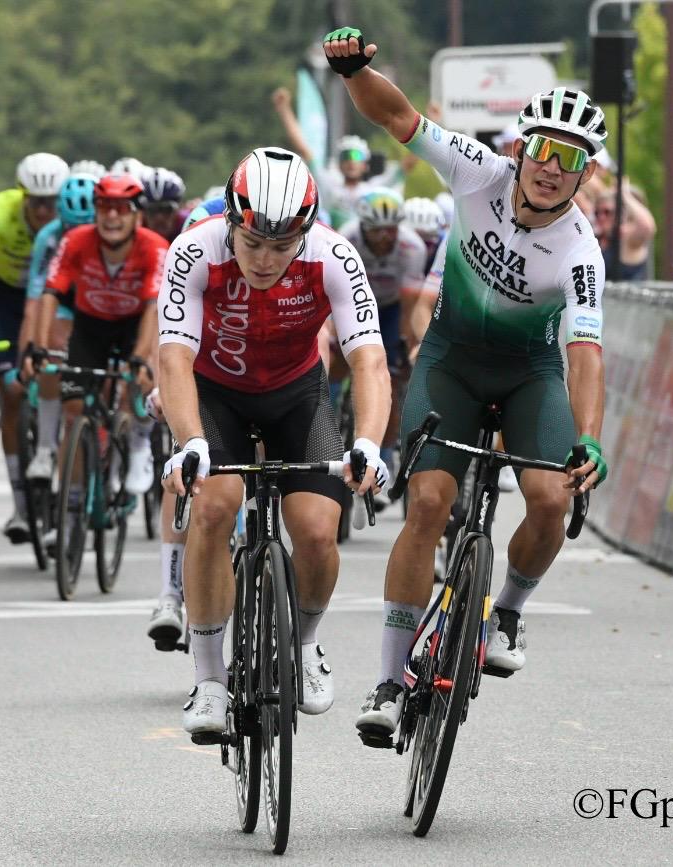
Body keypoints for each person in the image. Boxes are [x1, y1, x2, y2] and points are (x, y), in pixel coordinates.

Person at [319, 27, 605, 743]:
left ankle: (505, 608)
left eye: (568, 159)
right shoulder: (478, 171)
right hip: (450, 359)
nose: (549, 167)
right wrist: (354, 72)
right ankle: (388, 679)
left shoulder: (580, 251)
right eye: (542, 148)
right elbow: (396, 117)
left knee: (547, 498)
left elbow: (586, 351)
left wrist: (589, 437)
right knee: (427, 503)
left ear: (584, 175)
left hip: (528, 373)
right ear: (521, 148)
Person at [157, 146, 391, 736]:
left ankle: (306, 642)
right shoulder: (196, 250)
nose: (265, 259)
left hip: (295, 394)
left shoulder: (335, 254)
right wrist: (189, 441)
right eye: (253, 242)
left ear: (305, 234)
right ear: (232, 221)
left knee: (315, 527)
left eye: (282, 246)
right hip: (216, 393)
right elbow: (174, 357)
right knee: (215, 507)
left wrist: (368, 441)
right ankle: (209, 682)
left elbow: (369, 362)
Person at [0, 152, 70, 543]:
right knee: (11, 391)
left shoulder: (68, 222)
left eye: (50, 201)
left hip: (52, 298)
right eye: (35, 201)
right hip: (6, 299)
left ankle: (60, 458)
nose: (43, 210)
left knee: (60, 376)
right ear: (21, 195)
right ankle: (22, 505)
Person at [35, 173, 167, 498]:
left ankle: (138, 447)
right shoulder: (77, 240)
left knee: (143, 375)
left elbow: (154, 306)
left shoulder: (154, 247)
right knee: (74, 411)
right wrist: (37, 347)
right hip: (91, 326)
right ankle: (75, 500)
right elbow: (51, 293)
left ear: (137, 214)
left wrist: (139, 357)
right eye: (105, 207)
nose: (111, 216)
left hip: (136, 324)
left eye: (121, 209)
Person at [340, 188, 426, 476]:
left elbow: (410, 302)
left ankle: (385, 453)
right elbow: (333, 291)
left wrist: (404, 342)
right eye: (377, 231)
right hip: (350, 303)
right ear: (364, 226)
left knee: (387, 376)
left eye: (390, 230)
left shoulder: (411, 246)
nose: (384, 237)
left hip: (391, 308)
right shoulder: (347, 238)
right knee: (332, 356)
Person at [24, 173, 97, 481]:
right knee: (54, 355)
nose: (75, 236)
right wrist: (31, 350)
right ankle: (44, 449)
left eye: (84, 228)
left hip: (101, 304)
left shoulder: (113, 237)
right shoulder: (49, 238)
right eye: (70, 227)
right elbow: (38, 299)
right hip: (66, 300)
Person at [271, 85, 417, 229]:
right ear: (339, 165)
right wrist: (284, 109)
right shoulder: (330, 186)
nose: (351, 161)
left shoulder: (374, 189)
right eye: (345, 157)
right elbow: (304, 150)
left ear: (365, 165)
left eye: (357, 156)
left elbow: (407, 165)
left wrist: (430, 123)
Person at [594, 184, 655, 282]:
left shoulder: (627, 240)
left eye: (607, 212)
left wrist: (625, 195)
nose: (601, 217)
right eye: (597, 213)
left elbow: (646, 227)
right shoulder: (595, 238)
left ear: (621, 214)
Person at [140, 168, 186, 242]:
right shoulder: (133, 231)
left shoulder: (188, 227)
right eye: (152, 210)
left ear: (178, 209)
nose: (159, 218)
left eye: (167, 209)